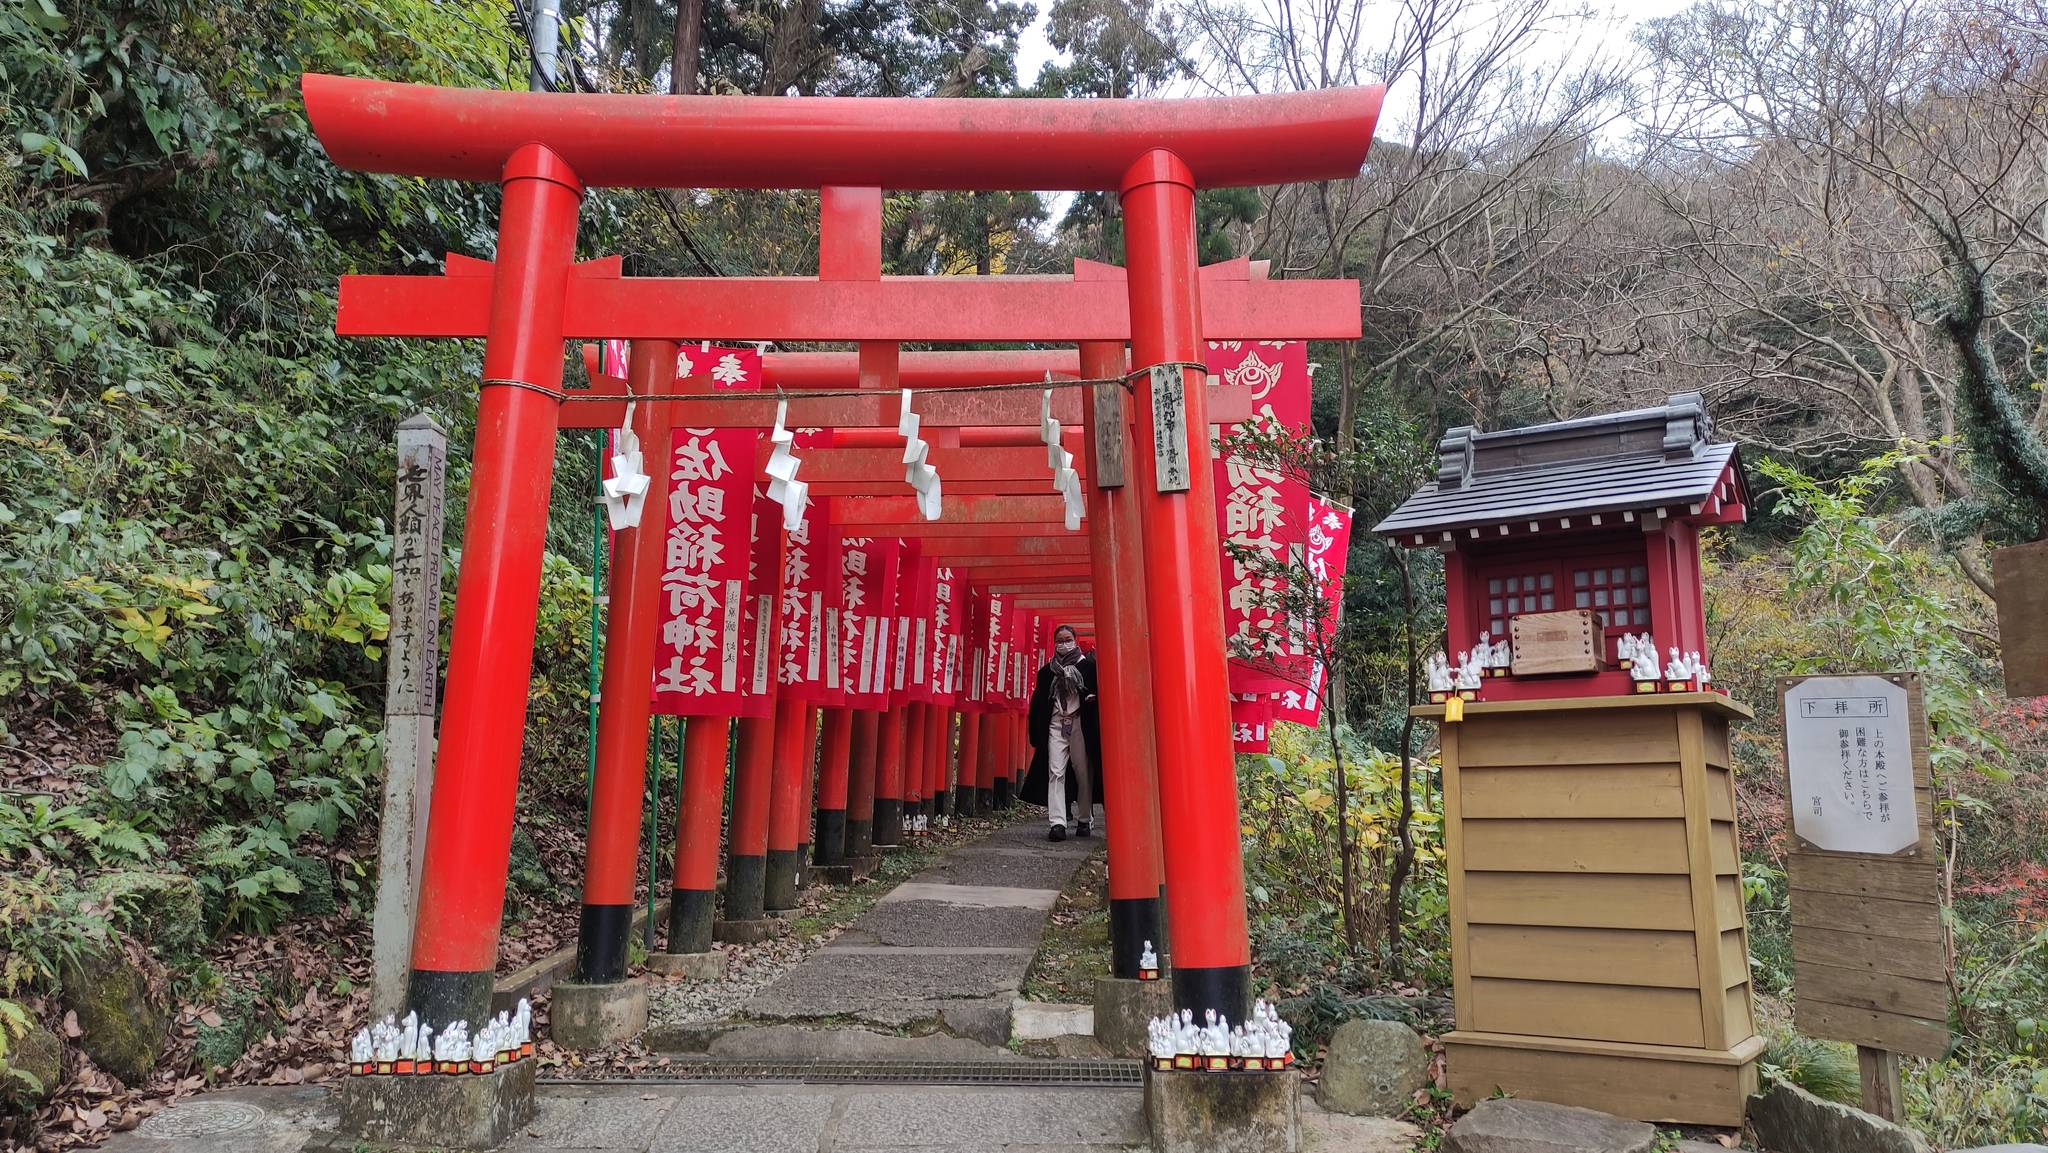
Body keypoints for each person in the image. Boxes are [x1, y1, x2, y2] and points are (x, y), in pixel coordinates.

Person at [1021, 624, 1102, 842]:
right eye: (1060, 640)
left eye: (1067, 639)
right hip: (1056, 723)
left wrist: (1092, 701)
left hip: (1080, 724)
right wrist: (1036, 731)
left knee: (1083, 771)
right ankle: (1057, 822)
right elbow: (1039, 704)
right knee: (1055, 771)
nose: (1064, 644)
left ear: (1075, 641)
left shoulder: (1090, 669)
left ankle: (1085, 818)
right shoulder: (1048, 672)